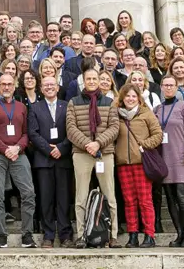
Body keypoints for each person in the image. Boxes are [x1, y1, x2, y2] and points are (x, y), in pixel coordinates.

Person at [0, 72, 38, 249]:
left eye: (9, 84)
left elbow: (26, 133)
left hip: (18, 153)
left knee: (28, 193)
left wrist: (18, 148)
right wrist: (5, 149)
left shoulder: (21, 106)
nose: (6, 87)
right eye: (3, 84)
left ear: (14, 87)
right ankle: (1, 235)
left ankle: (27, 234)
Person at [66, 67, 120, 247]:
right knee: (80, 196)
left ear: (99, 81)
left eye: (94, 79)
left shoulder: (109, 102)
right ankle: (81, 235)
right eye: (88, 79)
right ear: (83, 81)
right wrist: (87, 145)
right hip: (81, 153)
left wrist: (98, 143)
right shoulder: (73, 102)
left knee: (109, 195)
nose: (91, 82)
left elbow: (114, 127)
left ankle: (113, 236)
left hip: (104, 153)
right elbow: (71, 129)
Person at [112, 84, 163, 248]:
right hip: (122, 164)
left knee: (145, 200)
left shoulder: (146, 113)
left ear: (139, 98)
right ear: (122, 98)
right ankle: (132, 235)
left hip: (141, 163)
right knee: (129, 201)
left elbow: (158, 135)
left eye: (134, 96)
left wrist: (144, 144)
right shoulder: (116, 115)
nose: (130, 99)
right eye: (127, 96)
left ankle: (149, 235)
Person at [27, 74, 73, 248]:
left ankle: (65, 235)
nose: (49, 87)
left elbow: (72, 130)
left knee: (63, 199)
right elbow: (32, 133)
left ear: (58, 87)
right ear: (41, 88)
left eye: (52, 84)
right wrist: (49, 149)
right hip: (43, 160)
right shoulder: (35, 107)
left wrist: (61, 148)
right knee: (45, 199)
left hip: (63, 158)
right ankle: (48, 235)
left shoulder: (67, 106)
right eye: (45, 85)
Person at [153, 75, 184, 247]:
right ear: (161, 87)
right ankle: (179, 235)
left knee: (181, 195)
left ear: (177, 87)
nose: (169, 88)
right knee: (170, 197)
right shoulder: (157, 108)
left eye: (172, 85)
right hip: (164, 157)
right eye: (166, 85)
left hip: (180, 155)